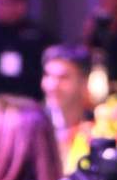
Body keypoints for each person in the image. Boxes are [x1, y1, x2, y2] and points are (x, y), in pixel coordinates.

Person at [0, 0, 52, 100]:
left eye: (5, 3)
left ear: (21, 5)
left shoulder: (38, 35)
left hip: (31, 97)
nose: (0, 7)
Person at [40, 44, 94, 172]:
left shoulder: (99, 126)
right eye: (47, 75)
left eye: (63, 78)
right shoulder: (35, 126)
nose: (52, 86)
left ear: (84, 82)